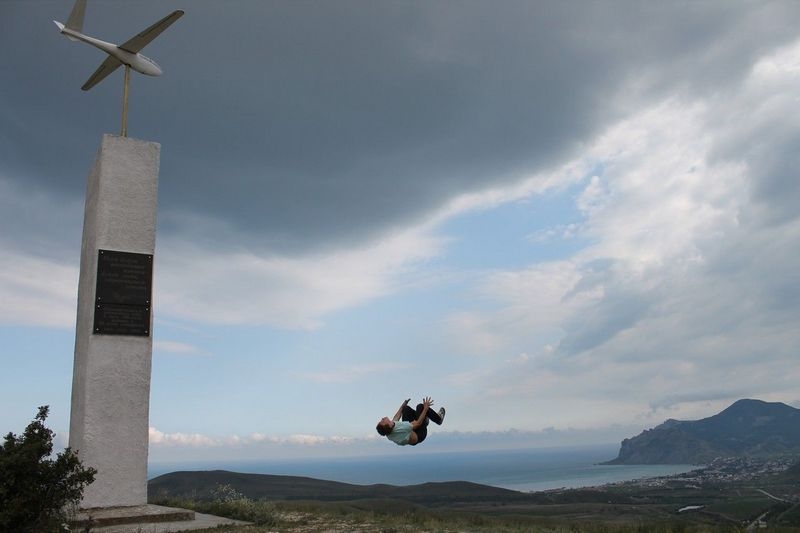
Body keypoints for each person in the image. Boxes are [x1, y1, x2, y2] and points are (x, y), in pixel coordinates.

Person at [376, 397, 445, 446]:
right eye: (382, 421)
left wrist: (402, 406)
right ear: (388, 425)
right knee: (421, 407)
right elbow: (418, 424)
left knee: (405, 409)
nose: (382, 419)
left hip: (411, 431)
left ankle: (424, 418)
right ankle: (438, 420)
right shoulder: (402, 428)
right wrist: (426, 409)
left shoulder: (389, 431)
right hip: (420, 434)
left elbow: (396, 418)